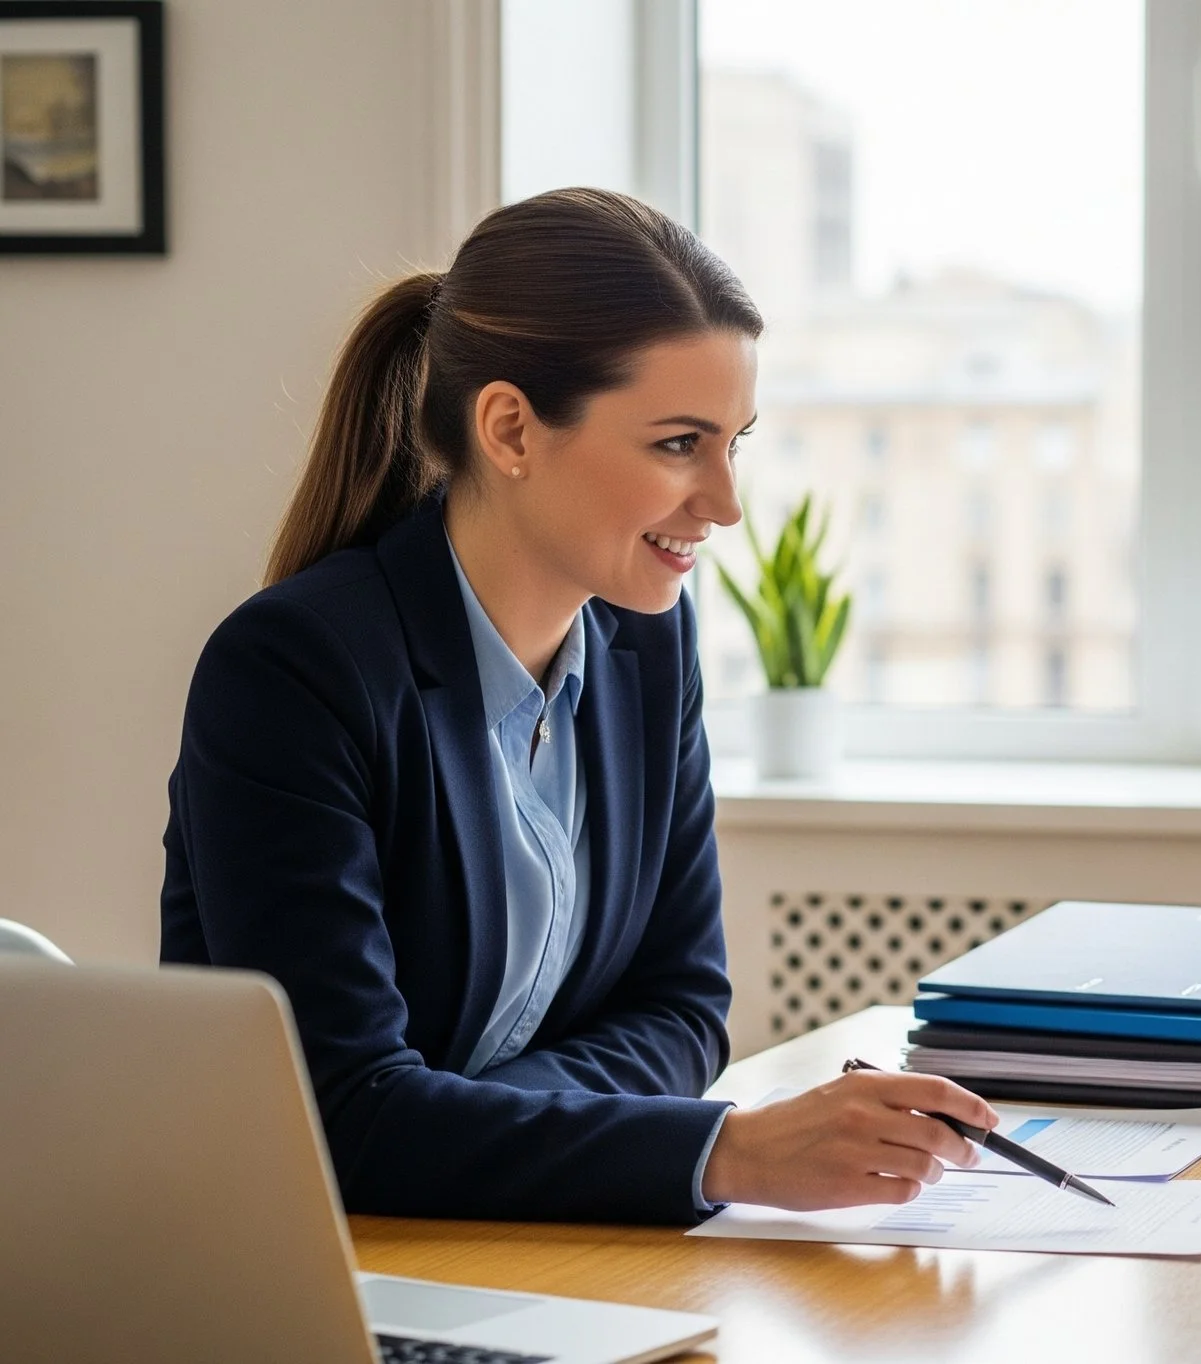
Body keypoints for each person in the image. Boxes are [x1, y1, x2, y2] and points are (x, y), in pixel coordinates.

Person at [161, 188, 997, 1224]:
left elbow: (683, 1011)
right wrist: (726, 1151)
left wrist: (450, 1119)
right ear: (510, 428)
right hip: (310, 1265)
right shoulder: (295, 669)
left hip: (502, 1237)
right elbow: (340, 1118)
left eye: (735, 440)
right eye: (678, 444)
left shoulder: (647, 642)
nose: (725, 501)